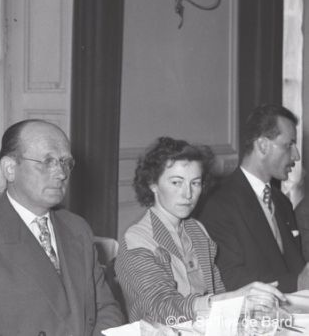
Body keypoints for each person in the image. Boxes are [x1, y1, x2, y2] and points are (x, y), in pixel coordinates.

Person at [0, 119, 124, 336]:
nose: (61, 173)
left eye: (65, 162)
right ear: (10, 168)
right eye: (47, 161)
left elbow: (105, 309)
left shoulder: (77, 228)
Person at [115, 136, 286, 324]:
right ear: (153, 184)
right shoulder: (137, 240)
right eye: (176, 182)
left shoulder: (196, 229)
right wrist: (228, 301)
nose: (188, 194)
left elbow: (218, 289)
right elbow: (161, 308)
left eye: (195, 183)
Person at [198, 104, 308, 293]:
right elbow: (230, 279)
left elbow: (295, 265)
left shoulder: (282, 202)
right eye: (289, 145)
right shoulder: (218, 203)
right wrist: (297, 283)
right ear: (263, 145)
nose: (296, 155)